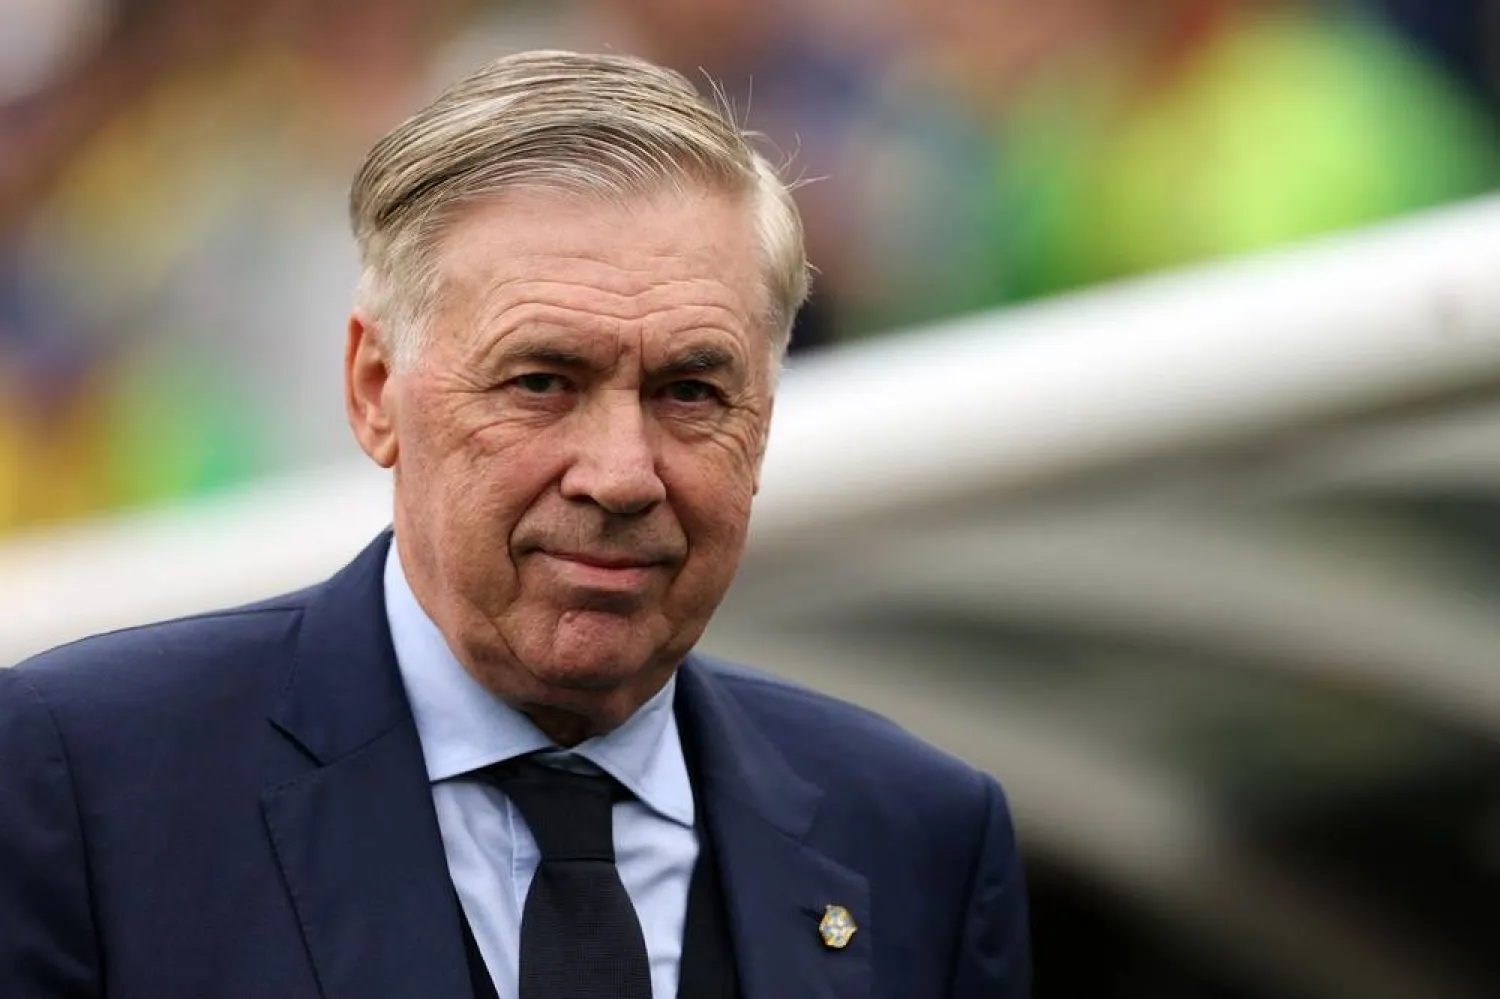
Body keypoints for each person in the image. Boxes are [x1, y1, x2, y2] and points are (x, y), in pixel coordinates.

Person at [0, 50, 1030, 998]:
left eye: (689, 392)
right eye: (541, 381)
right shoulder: (82, 788)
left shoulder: (916, 839)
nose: (621, 476)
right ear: (374, 390)